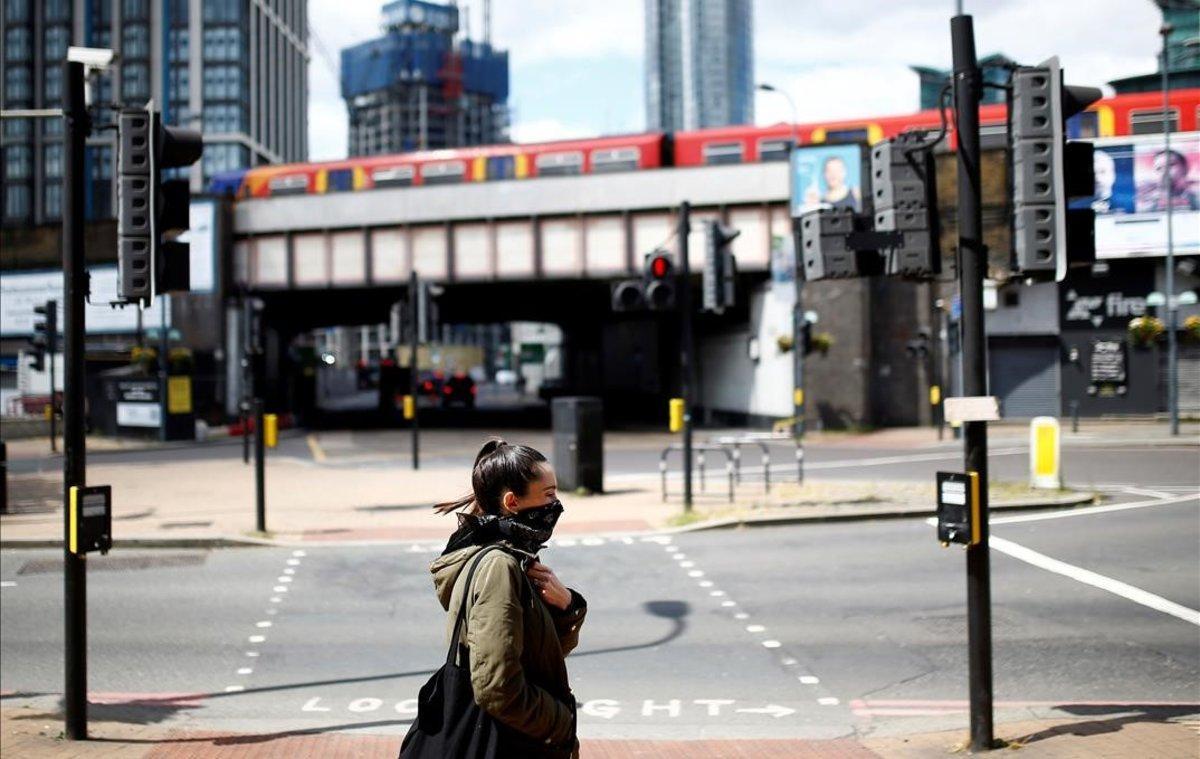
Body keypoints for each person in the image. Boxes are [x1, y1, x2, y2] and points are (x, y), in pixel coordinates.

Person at [424, 439, 585, 757]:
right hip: (512, 743)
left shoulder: (515, 557)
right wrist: (561, 723)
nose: (556, 505)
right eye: (549, 494)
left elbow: (536, 657)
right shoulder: (499, 566)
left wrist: (567, 607)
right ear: (513, 502)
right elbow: (498, 688)